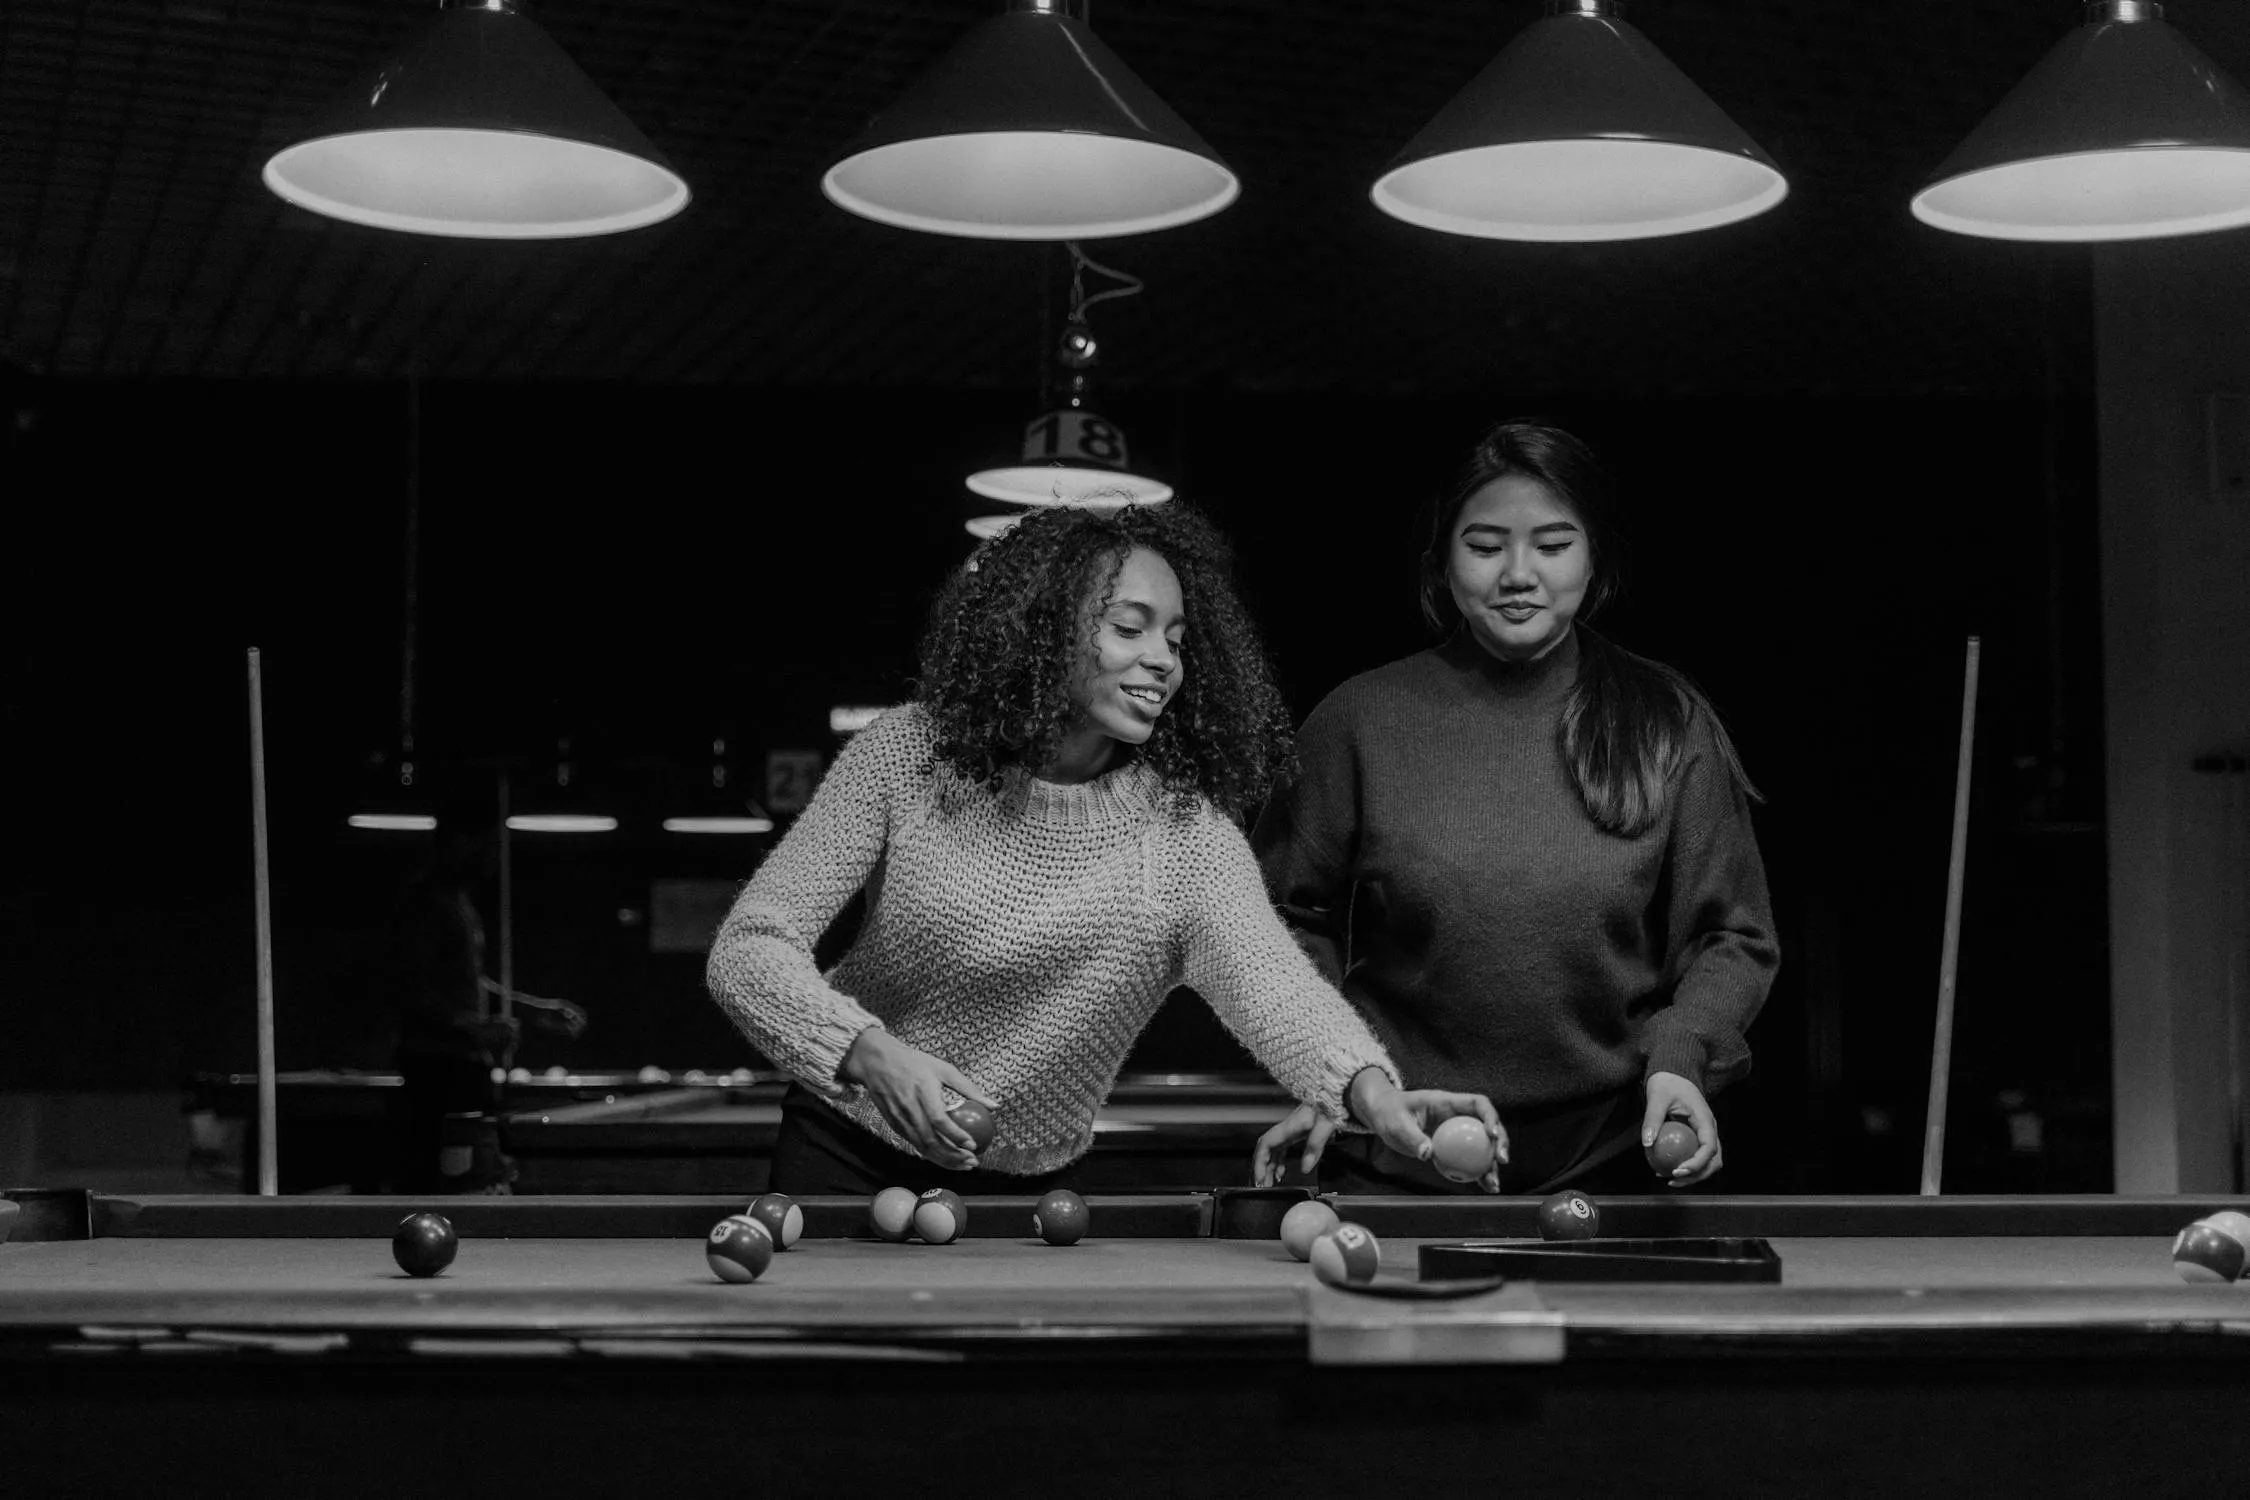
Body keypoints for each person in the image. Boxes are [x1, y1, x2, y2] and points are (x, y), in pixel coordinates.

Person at [705, 501, 1503, 1196]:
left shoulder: (1186, 837)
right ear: (1042, 631)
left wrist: (1375, 1094)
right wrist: (871, 1054)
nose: (1163, 660)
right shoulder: (909, 755)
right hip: (844, 1153)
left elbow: (1280, 992)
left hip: (1026, 1196)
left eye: (1177, 640)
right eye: (1129, 628)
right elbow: (748, 949)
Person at [1250, 420, 1777, 1195]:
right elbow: (1274, 922)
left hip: (1612, 1151)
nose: (1519, 574)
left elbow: (1732, 936)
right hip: (1402, 1142)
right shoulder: (1360, 720)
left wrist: (1682, 1057)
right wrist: (1335, 1066)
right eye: (1486, 546)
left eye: (1554, 546)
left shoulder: (1666, 721)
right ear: (1443, 561)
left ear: (1595, 559)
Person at [383, 803, 587, 1193]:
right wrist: (476, 1027)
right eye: (489, 846)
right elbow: (408, 988)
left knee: (468, 1176)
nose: (494, 858)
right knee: (441, 1180)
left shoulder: (458, 902)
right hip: (436, 1069)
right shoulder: (425, 903)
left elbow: (469, 983)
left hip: (459, 1066)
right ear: (459, 843)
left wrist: (531, 1010)